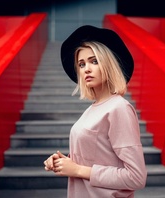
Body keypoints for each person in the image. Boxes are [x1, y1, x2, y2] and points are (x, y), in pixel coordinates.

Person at [44, 25, 147, 198]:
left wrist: (78, 169)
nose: (86, 69)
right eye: (81, 64)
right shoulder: (91, 110)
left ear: (108, 64)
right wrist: (63, 162)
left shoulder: (119, 108)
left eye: (94, 61)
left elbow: (136, 177)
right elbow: (96, 157)